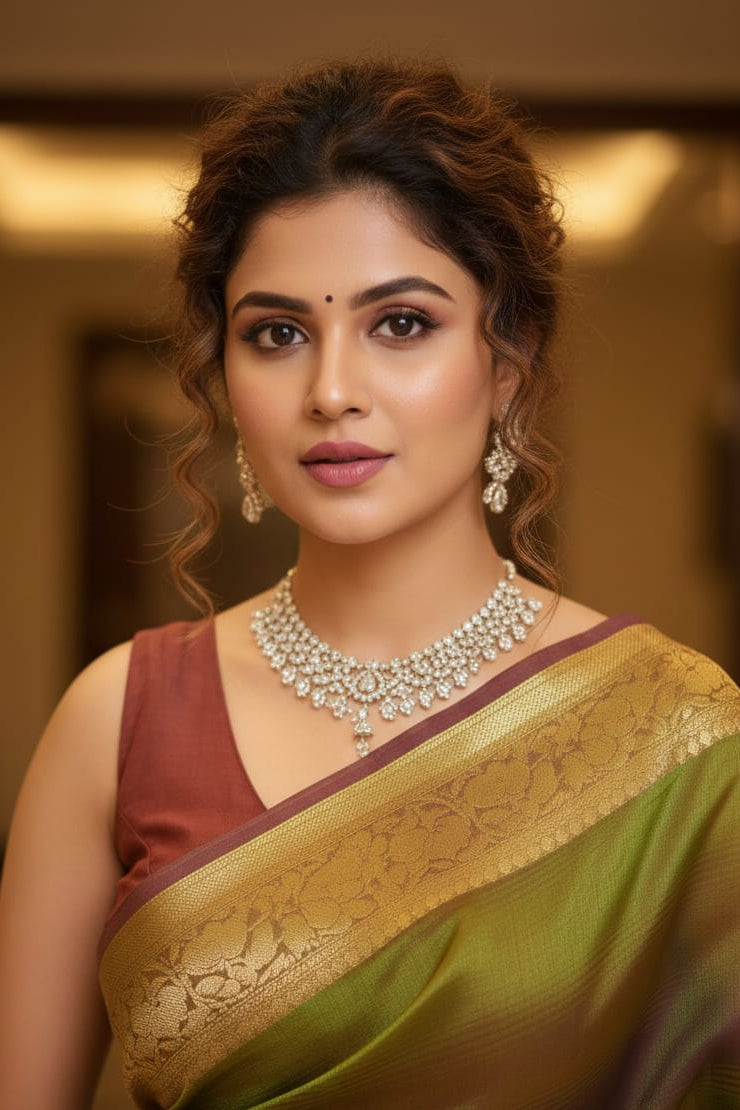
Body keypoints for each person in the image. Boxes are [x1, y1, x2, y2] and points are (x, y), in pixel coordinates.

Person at [0, 59, 738, 1110]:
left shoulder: (675, 736)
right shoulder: (116, 720)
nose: (332, 390)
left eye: (401, 324)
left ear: (505, 366)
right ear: (226, 381)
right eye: (277, 333)